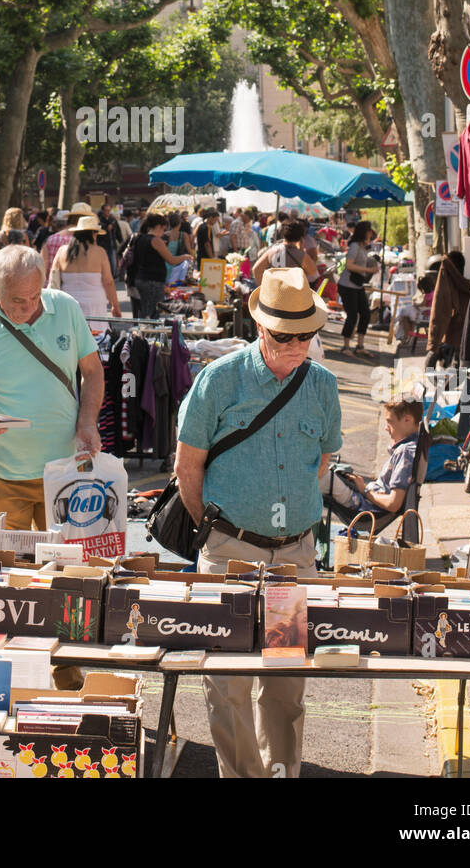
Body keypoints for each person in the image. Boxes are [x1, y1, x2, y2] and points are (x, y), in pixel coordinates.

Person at [174, 267, 342, 779]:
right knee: (227, 680)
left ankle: (282, 771)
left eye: (306, 336)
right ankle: (243, 775)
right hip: (230, 552)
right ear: (260, 329)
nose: (296, 346)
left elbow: (322, 462)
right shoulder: (219, 380)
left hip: (293, 554)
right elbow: (188, 467)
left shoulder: (322, 386)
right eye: (284, 336)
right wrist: (221, 530)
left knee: (286, 675)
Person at [0, 245, 104, 541]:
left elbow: (93, 371)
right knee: (8, 570)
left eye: (35, 296)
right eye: (18, 300)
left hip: (64, 467)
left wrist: (87, 422)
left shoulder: (66, 307)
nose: (29, 307)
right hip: (3, 472)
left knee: (64, 569)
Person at [325, 394, 422, 516]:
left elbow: (394, 504)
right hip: (367, 499)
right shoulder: (410, 446)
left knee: (319, 477)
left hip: (364, 506)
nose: (386, 428)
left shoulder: (405, 452)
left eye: (390, 422)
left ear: (407, 420)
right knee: (325, 475)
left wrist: (365, 491)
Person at [50, 215, 121, 326]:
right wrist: (115, 305)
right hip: (94, 303)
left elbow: (53, 279)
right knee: (96, 336)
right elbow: (109, 282)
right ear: (93, 233)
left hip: (68, 302)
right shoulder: (99, 252)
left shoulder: (62, 251)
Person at [133, 214, 192, 319]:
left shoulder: (141, 238)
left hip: (141, 278)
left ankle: (143, 331)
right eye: (164, 229)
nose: (164, 232)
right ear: (159, 226)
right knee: (154, 310)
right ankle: (151, 333)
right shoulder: (156, 240)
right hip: (153, 280)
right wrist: (185, 256)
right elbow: (171, 260)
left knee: (146, 309)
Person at [337, 220, 379, 358]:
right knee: (353, 315)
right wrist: (368, 269)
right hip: (348, 285)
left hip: (357, 285)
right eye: (368, 231)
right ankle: (346, 345)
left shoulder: (362, 246)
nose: (370, 234)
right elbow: (349, 265)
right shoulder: (355, 246)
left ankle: (360, 345)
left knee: (365, 314)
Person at [252, 219, 320, 289]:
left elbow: (256, 269)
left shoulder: (272, 251)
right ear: (301, 237)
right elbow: (313, 272)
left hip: (275, 292)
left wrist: (263, 288)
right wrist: (302, 249)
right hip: (292, 294)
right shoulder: (301, 255)